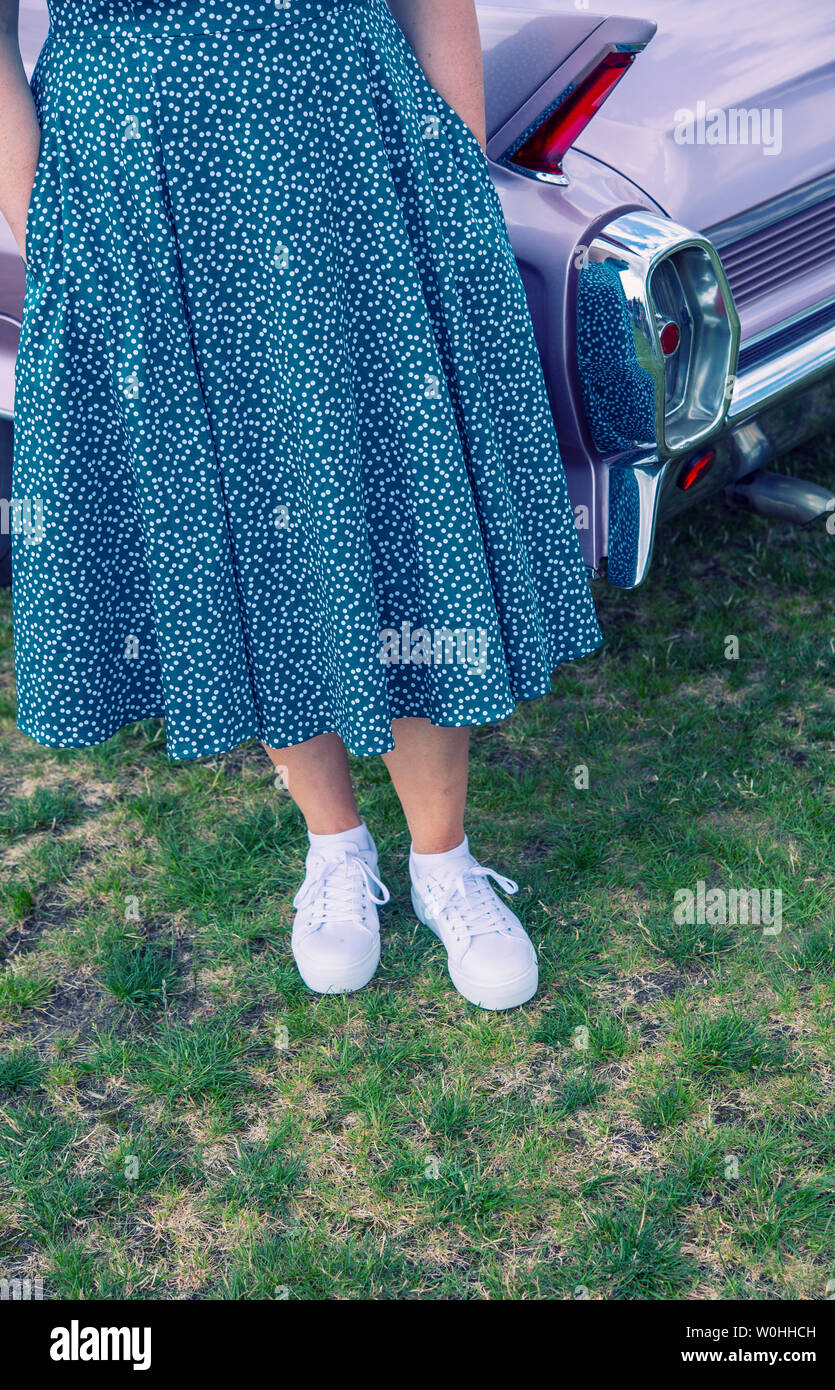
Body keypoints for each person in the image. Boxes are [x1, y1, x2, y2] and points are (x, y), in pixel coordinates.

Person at [0, 0, 602, 1010]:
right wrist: (52, 226)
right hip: (141, 196)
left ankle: (442, 861)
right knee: (239, 511)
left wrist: (448, 174)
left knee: (398, 497)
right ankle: (334, 843)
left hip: (354, 160)